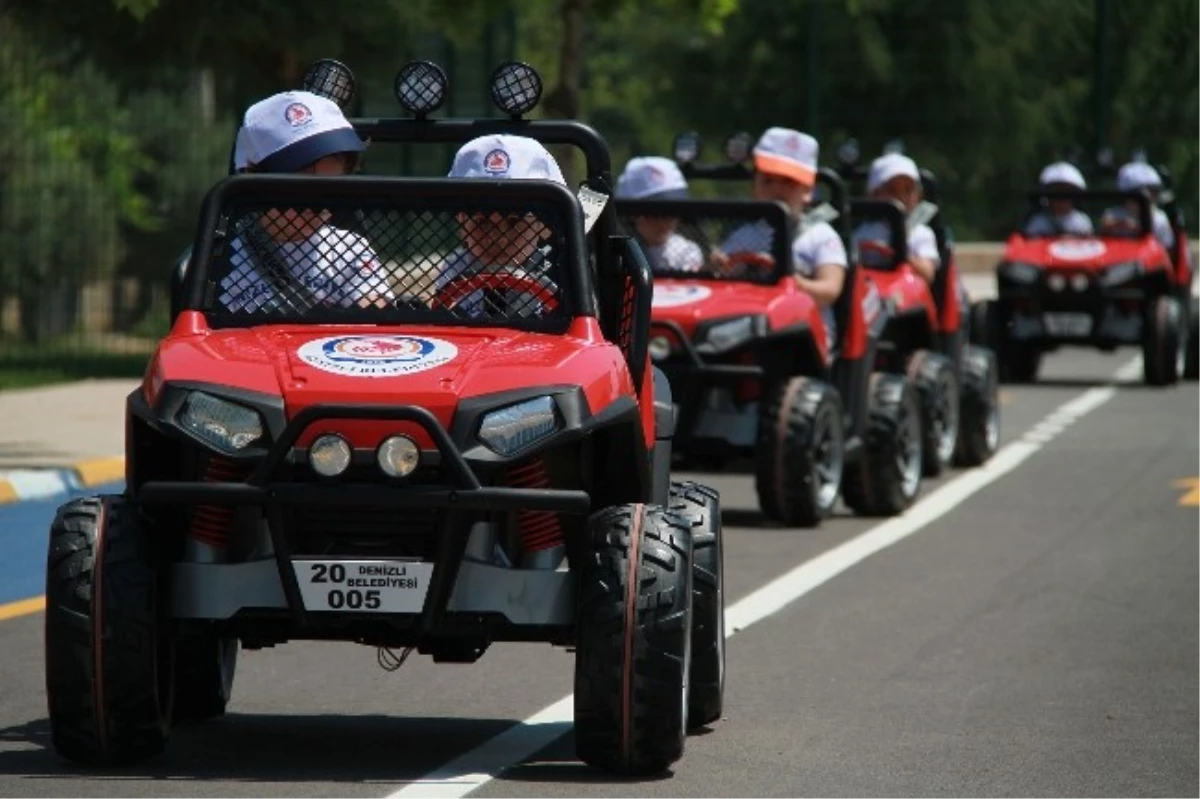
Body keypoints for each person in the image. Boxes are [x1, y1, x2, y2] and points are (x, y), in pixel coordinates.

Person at [217, 90, 394, 313]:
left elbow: (375, 304)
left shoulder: (350, 249)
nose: (318, 203)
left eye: (331, 188)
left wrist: (369, 309)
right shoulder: (222, 255)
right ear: (252, 177)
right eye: (300, 188)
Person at [716, 127, 848, 346]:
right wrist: (717, 267)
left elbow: (831, 290)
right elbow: (723, 273)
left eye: (788, 182)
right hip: (747, 329)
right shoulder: (744, 235)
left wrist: (796, 284)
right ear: (755, 187)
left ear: (807, 191)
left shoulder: (820, 236)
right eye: (767, 181)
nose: (776, 189)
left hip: (804, 336)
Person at [435, 134, 565, 318]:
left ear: (543, 225)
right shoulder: (455, 270)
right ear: (461, 221)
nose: (498, 237)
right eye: (482, 220)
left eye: (514, 221)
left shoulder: (562, 271)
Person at [851, 153, 939, 284]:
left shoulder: (921, 234)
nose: (901, 197)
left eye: (908, 190)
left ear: (918, 195)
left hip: (910, 293)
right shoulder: (863, 233)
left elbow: (927, 274)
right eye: (892, 190)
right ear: (874, 195)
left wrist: (900, 255)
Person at [615, 156, 704, 272]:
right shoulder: (614, 253)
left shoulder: (686, 252)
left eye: (672, 211)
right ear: (631, 215)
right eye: (654, 213)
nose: (664, 221)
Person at [1100, 161, 1176, 253]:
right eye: (1143, 193)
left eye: (1154, 191)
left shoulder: (1159, 219)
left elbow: (1167, 248)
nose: (1150, 197)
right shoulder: (1113, 215)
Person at [1024, 162, 1094, 237]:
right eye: (1056, 192)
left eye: (1066, 192)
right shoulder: (1038, 223)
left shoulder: (1082, 222)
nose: (1061, 198)